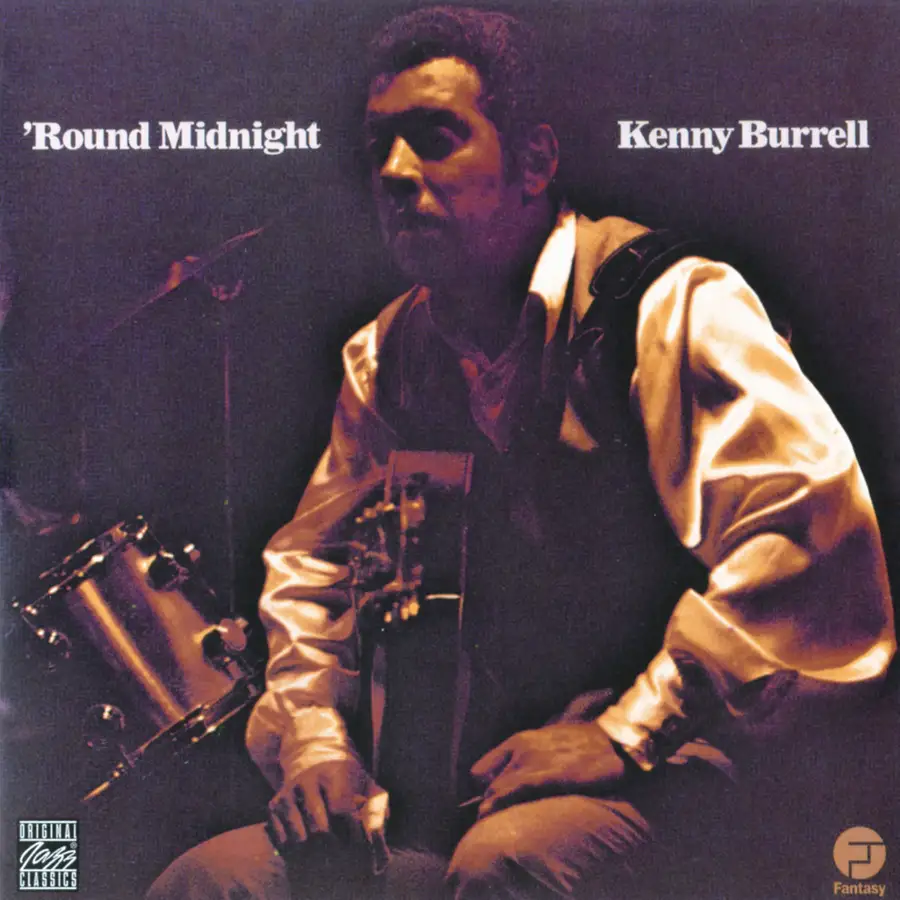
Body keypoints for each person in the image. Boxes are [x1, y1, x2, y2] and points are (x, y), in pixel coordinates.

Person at [147, 6, 895, 899]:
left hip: (689, 768)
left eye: (435, 138)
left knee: (507, 862)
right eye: (379, 145)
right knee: (212, 877)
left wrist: (628, 732)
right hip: (463, 789)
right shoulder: (385, 355)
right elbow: (312, 573)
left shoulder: (671, 306)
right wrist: (317, 747)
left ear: (534, 162)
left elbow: (807, 543)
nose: (394, 172)